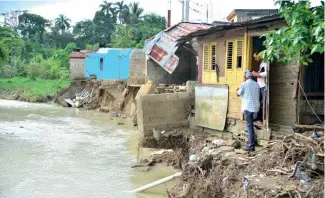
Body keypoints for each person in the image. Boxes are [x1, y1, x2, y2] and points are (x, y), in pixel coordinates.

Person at [237, 71, 260, 152]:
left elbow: (239, 93)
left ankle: (251, 146)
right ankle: (252, 142)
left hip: (248, 108)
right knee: (250, 126)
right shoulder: (257, 84)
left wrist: (238, 90)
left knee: (249, 126)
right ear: (252, 77)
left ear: (245, 77)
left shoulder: (244, 84)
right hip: (256, 108)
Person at [252, 51, 267, 125]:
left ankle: (261, 119)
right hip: (260, 86)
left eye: (256, 57)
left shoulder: (265, 63)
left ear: (260, 55)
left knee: (263, 103)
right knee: (258, 103)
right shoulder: (261, 64)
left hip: (263, 86)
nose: (255, 59)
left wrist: (256, 74)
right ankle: (257, 119)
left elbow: (266, 73)